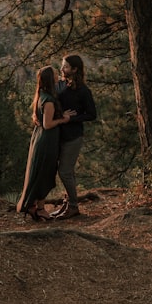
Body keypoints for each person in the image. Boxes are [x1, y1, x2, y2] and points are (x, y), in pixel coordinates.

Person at [17, 66, 75, 221]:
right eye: (56, 75)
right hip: (47, 141)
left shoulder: (41, 94)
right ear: (51, 79)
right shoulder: (48, 100)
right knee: (46, 174)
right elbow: (48, 124)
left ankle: (35, 206)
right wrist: (64, 118)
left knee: (43, 173)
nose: (58, 77)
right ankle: (39, 208)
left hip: (42, 138)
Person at [50, 54, 97, 219]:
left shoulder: (83, 90)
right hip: (59, 135)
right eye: (63, 66)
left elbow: (92, 114)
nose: (62, 69)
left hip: (73, 136)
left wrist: (72, 118)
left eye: (66, 67)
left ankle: (73, 206)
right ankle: (68, 203)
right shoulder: (61, 85)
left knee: (64, 172)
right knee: (67, 171)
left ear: (75, 69)